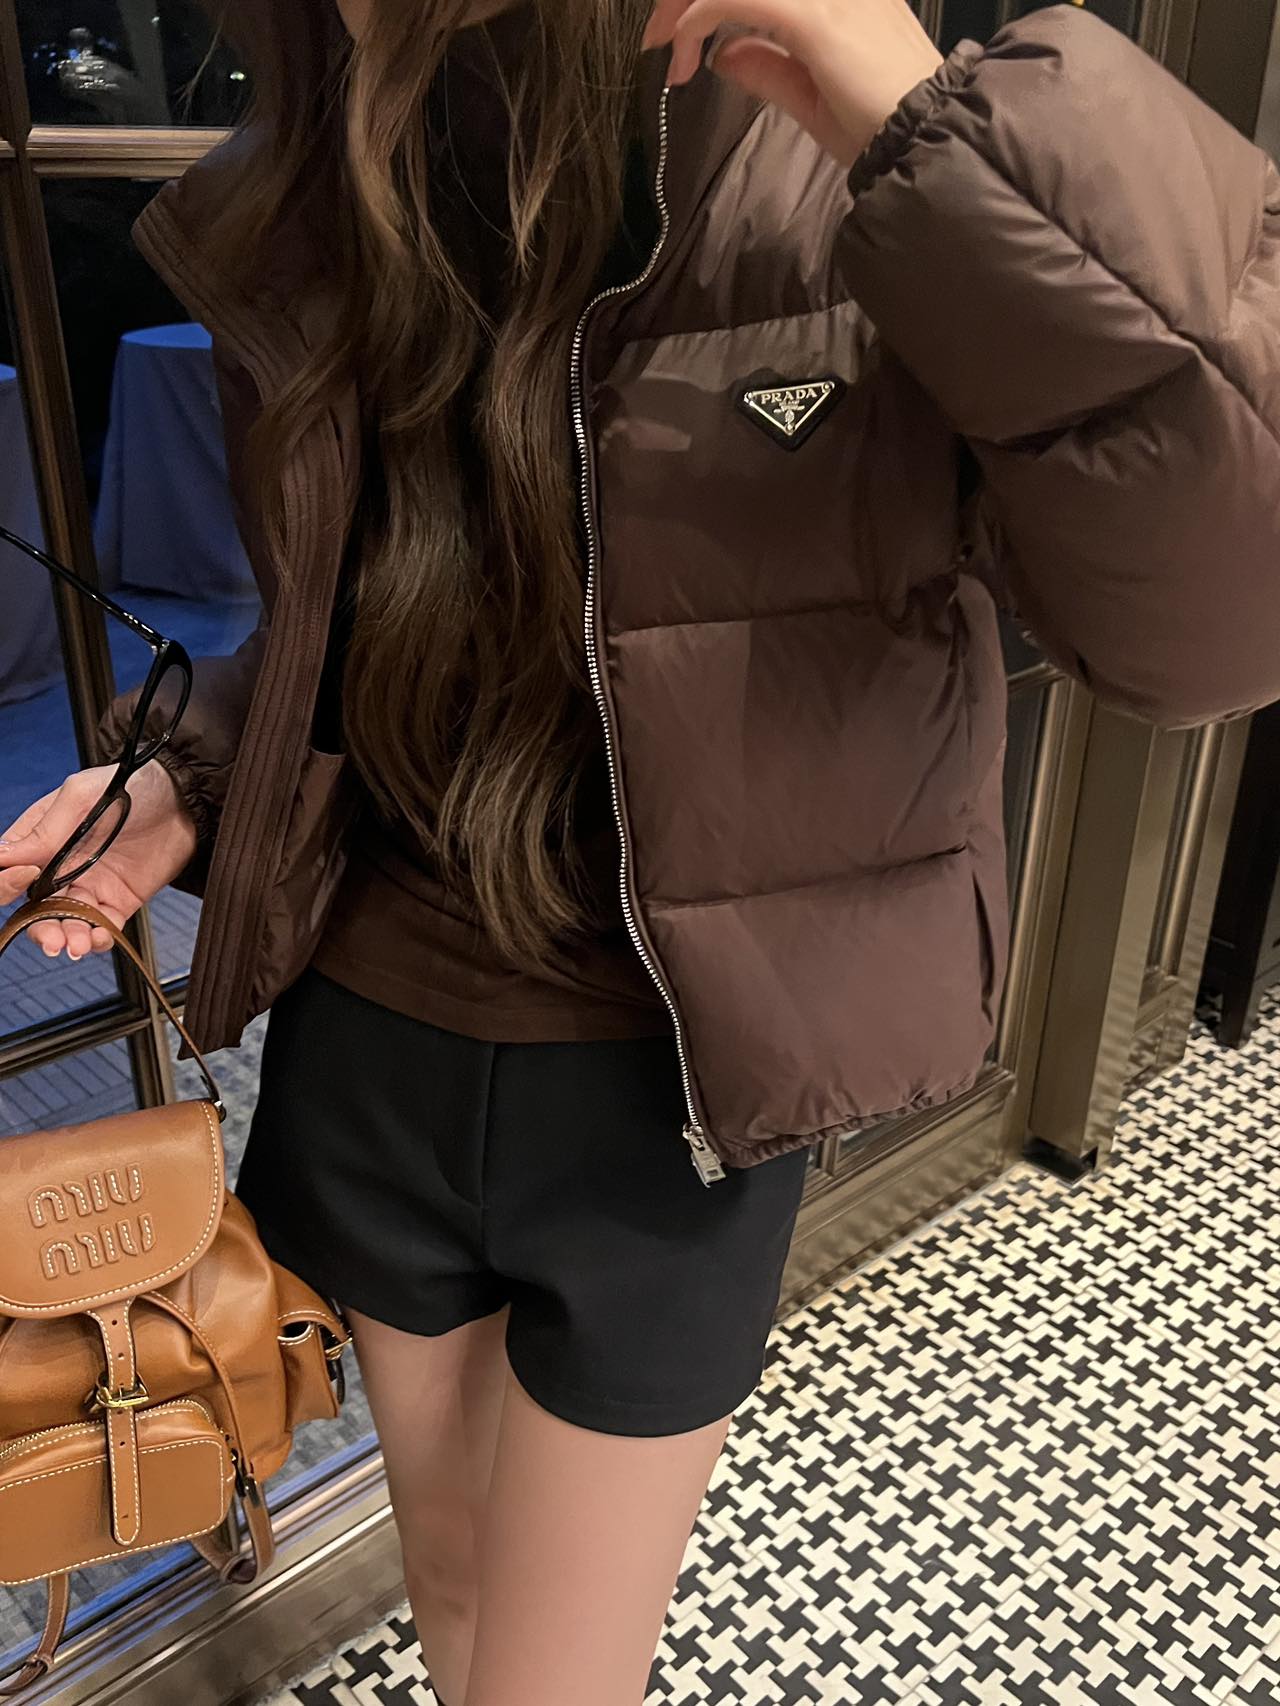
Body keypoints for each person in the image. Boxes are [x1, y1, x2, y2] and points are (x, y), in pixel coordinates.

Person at [4, 2, 1280, 1701]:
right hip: (376, 1029)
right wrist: (199, 773)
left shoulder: (846, 152)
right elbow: (381, 622)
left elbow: (1221, 619)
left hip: (672, 1081)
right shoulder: (333, 160)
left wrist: (923, 122)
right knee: (454, 1581)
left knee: (559, 1673)